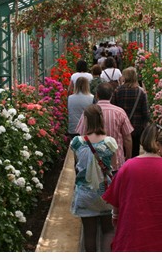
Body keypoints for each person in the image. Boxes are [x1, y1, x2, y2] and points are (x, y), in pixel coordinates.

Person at [102, 123, 162, 252]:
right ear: (158, 144)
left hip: (133, 236)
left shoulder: (127, 167)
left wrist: (115, 217)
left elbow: (115, 199)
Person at [70, 104, 118, 252]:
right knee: (108, 231)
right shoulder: (109, 142)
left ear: (86, 120)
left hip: (85, 192)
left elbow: (76, 167)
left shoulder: (77, 142)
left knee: (89, 233)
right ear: (101, 119)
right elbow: (114, 169)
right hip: (105, 193)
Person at [76, 82, 133, 173]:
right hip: (116, 162)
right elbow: (127, 139)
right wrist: (128, 158)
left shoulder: (88, 112)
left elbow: (81, 136)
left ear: (97, 95)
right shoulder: (120, 112)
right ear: (111, 95)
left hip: (93, 162)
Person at [111, 66, 150, 157]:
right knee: (135, 151)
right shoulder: (141, 92)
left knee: (121, 150)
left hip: (121, 126)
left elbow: (113, 108)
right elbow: (146, 113)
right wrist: (144, 126)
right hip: (136, 128)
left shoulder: (118, 91)